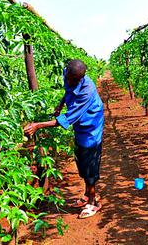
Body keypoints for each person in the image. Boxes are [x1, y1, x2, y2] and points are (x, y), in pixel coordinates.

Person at [24, 59, 104, 219]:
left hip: (91, 125)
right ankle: (88, 194)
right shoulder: (68, 73)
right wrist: (61, 103)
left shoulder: (87, 90)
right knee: (81, 160)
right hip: (80, 126)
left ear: (80, 79)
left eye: (72, 80)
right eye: (67, 77)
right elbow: (67, 91)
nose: (68, 80)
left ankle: (93, 202)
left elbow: (68, 118)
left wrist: (38, 125)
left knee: (90, 164)